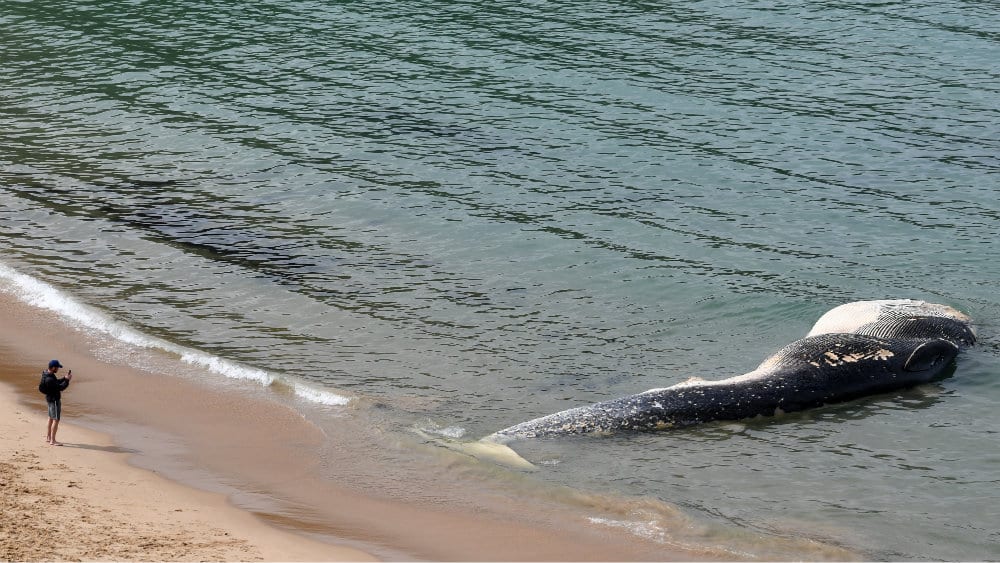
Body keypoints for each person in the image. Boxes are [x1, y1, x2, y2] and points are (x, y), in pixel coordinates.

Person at [40, 360, 73, 446]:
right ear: (53, 368)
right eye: (57, 367)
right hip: (54, 400)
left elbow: (56, 382)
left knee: (50, 418)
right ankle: (53, 440)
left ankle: (48, 437)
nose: (58, 369)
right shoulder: (50, 379)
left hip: (49, 399)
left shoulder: (46, 374)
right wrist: (67, 381)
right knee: (56, 419)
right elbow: (60, 387)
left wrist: (64, 378)